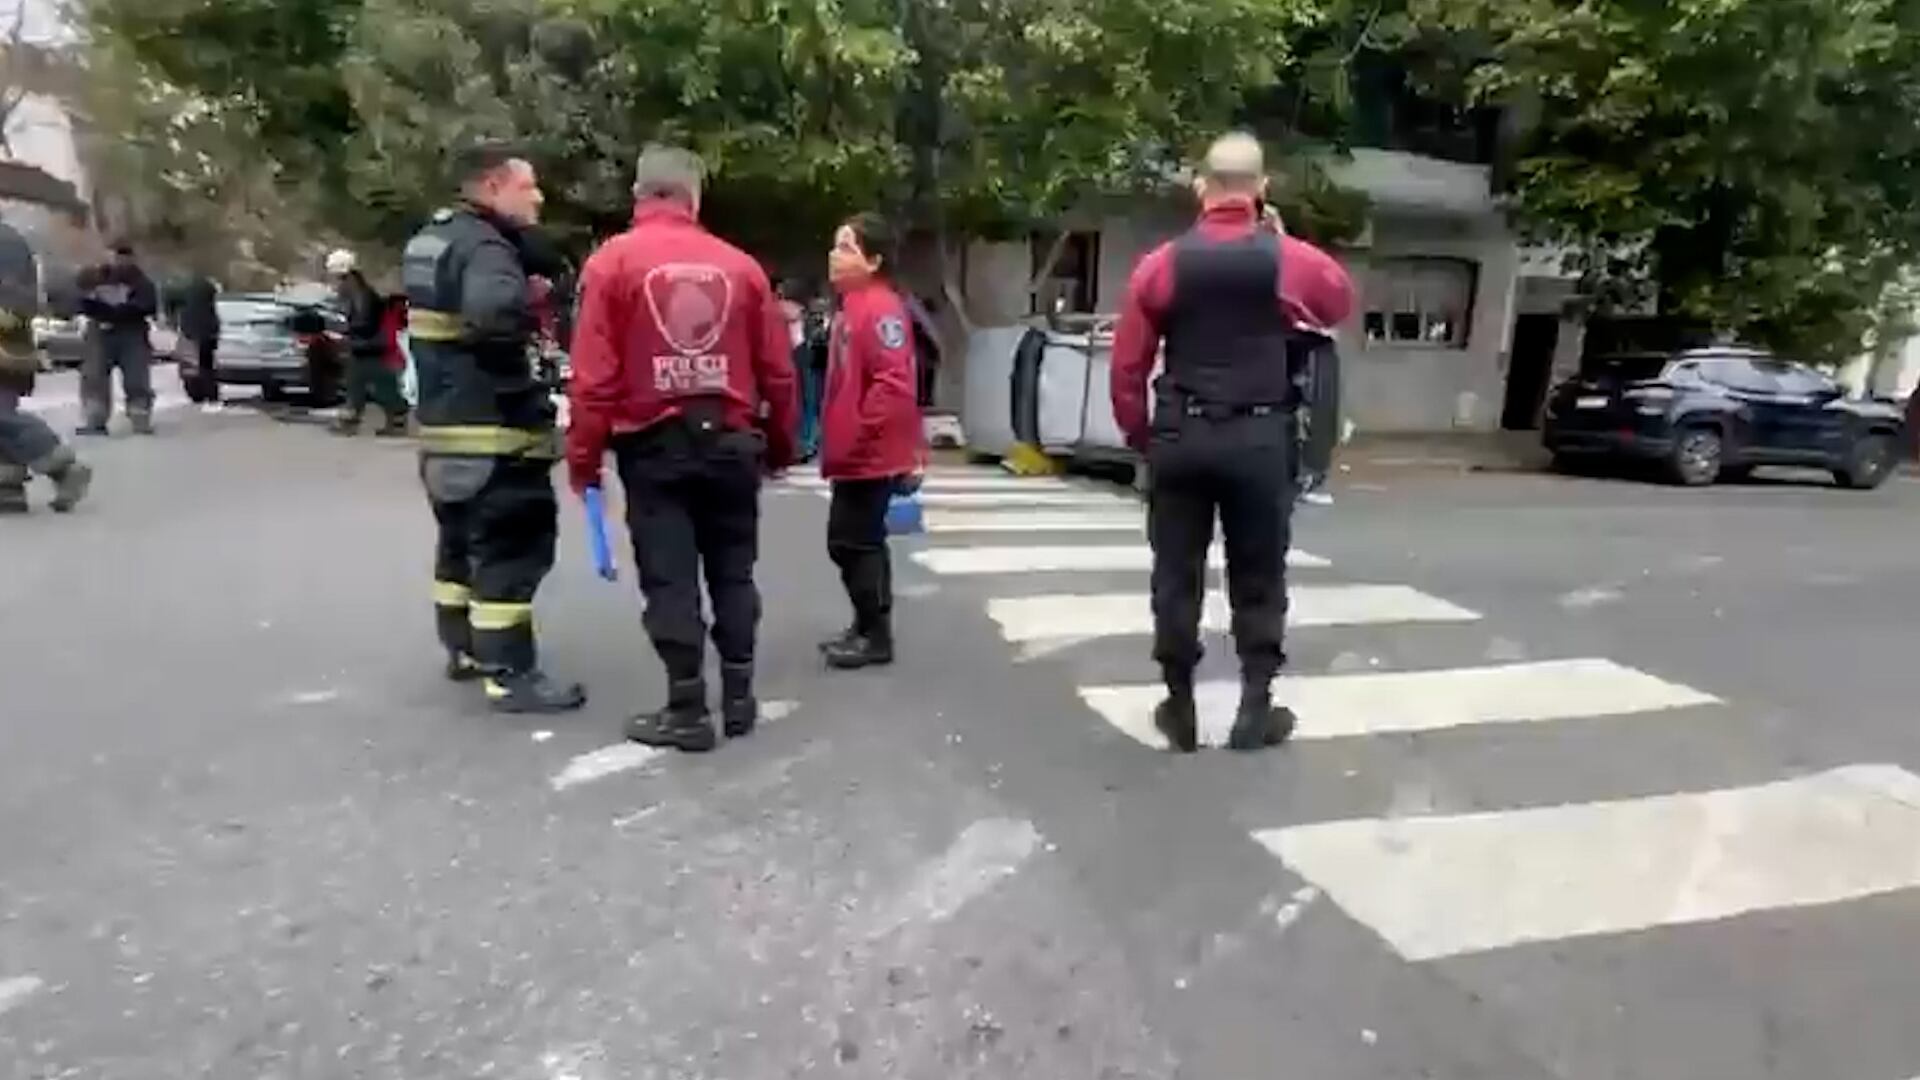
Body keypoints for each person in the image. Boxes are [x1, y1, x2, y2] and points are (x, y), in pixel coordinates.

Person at [1109, 132, 1355, 753]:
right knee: (1259, 575)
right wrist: (1279, 236)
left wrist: (1146, 436)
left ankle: (1180, 707)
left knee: (1175, 575)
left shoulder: (1160, 265)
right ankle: (1254, 710)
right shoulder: (1288, 260)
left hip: (1182, 434)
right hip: (1260, 438)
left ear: (1201, 187)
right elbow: (1338, 302)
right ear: (1261, 189)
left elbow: (1127, 368)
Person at [567, 144, 797, 752]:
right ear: (694, 197)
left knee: (670, 580)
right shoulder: (743, 268)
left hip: (654, 446)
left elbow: (593, 378)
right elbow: (779, 373)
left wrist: (583, 459)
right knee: (734, 572)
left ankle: (688, 707)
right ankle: (741, 700)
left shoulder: (611, 264)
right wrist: (780, 446)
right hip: (732, 439)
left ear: (641, 194)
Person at [405, 142, 585, 714]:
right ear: (490, 187)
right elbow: (495, 318)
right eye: (526, 185)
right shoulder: (485, 249)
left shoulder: (435, 239)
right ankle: (510, 673)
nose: (538, 195)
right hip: (493, 434)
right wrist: (534, 381)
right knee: (512, 549)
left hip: (443, 433)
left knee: (459, 545)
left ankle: (462, 648)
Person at [817, 212, 924, 670]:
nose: (835, 256)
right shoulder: (853, 307)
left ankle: (876, 635)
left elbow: (892, 383)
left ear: (874, 259)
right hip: (852, 452)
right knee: (852, 541)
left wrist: (860, 433)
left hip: (870, 454)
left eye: (847, 248)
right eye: (836, 246)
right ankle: (865, 624)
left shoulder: (879, 309)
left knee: (854, 542)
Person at [0, 219, 90, 514]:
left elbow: (12, 299)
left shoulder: (6, 242)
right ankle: (7, 489)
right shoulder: (11, 238)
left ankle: (59, 462)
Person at [74, 240, 159, 436]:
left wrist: (119, 311)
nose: (118, 261)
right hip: (99, 331)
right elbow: (81, 299)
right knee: (94, 376)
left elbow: (147, 305)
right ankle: (95, 419)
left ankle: (140, 417)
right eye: (114, 255)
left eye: (123, 256)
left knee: (136, 376)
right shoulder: (95, 278)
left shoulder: (141, 281)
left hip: (132, 332)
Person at [328, 249, 411, 436]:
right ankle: (354, 420)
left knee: (376, 384)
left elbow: (363, 319)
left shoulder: (356, 291)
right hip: (367, 345)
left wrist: (346, 329)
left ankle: (393, 419)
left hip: (368, 345)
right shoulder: (357, 288)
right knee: (359, 382)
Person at [178, 271, 222, 411]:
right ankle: (210, 393)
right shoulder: (207, 297)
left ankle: (198, 392)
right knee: (206, 364)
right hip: (207, 332)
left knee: (193, 363)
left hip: (191, 331)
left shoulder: (187, 294)